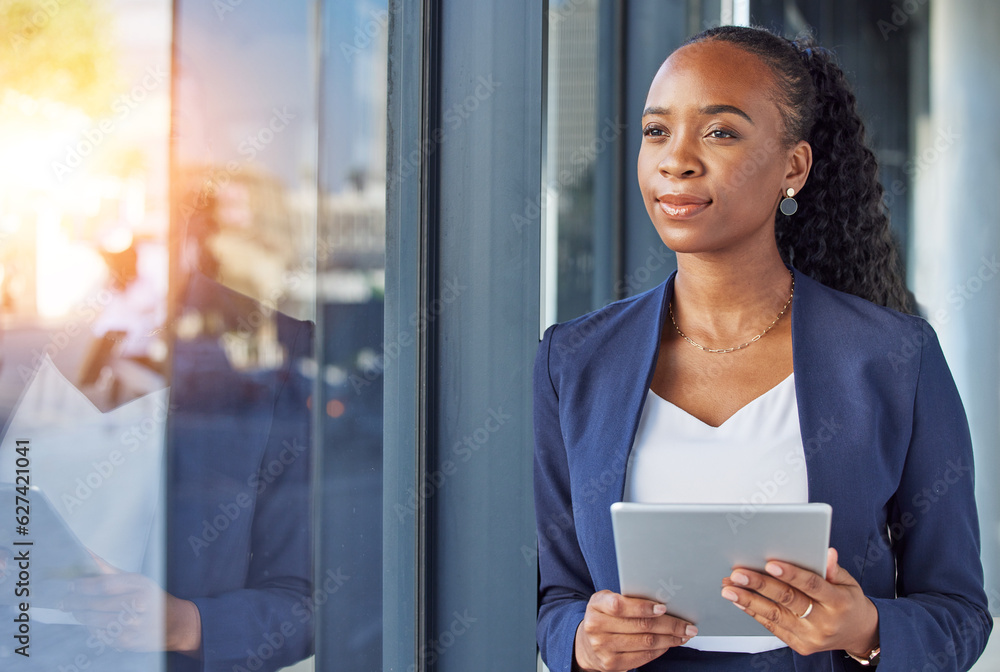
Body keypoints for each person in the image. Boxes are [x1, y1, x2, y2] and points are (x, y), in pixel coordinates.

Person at [533, 25, 991, 672]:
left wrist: (865, 629)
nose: (676, 159)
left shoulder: (896, 359)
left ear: (793, 167)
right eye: (657, 131)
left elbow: (960, 613)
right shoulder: (573, 362)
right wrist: (580, 640)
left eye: (719, 132)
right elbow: (556, 596)